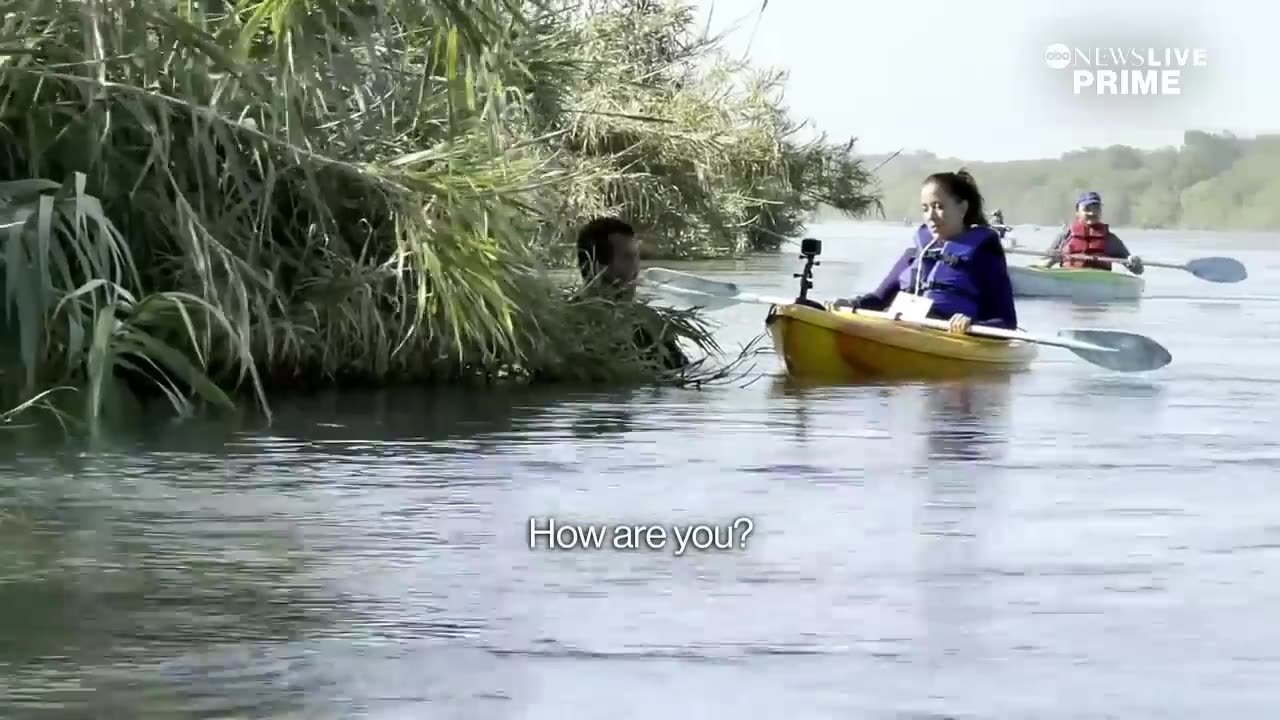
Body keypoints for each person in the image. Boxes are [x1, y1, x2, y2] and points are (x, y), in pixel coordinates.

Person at [829, 170, 1017, 334]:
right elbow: (878, 300)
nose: (931, 216)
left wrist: (971, 324)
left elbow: (1007, 322)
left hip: (948, 336)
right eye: (925, 209)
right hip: (902, 328)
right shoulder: (916, 253)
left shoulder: (984, 254)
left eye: (939, 207)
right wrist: (851, 304)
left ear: (962, 207)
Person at [575, 217, 687, 369]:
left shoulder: (648, 326)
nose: (636, 268)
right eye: (627, 257)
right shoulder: (561, 327)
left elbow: (681, 370)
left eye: (636, 257)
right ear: (594, 266)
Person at [1040, 191, 1143, 274]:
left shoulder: (1111, 239)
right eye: (1087, 209)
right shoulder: (1065, 236)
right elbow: (1041, 266)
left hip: (1100, 283)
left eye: (1096, 209)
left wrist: (1135, 263)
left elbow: (1138, 271)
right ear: (1077, 212)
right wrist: (1052, 260)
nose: (1092, 213)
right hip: (1069, 278)